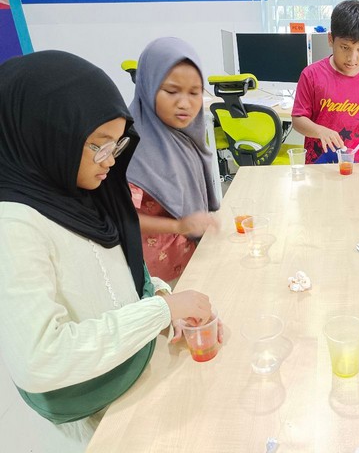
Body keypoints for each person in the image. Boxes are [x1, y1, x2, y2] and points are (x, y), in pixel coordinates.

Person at [0, 51, 215, 443]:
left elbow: (123, 274)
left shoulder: (84, 190)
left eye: (116, 145)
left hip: (134, 368)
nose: (110, 161)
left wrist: (164, 303)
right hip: (94, 403)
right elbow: (40, 359)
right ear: (48, 136)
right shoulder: (14, 226)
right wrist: (161, 310)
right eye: (99, 146)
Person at [127, 37, 220, 285]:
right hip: (156, 277)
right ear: (148, 87)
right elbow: (123, 218)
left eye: (195, 92)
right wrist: (179, 226)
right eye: (171, 91)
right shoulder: (133, 147)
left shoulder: (184, 136)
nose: (185, 103)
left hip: (190, 259)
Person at [292, 0, 359, 164]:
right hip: (320, 164)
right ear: (331, 39)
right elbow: (298, 120)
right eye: (345, 47)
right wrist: (319, 131)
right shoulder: (311, 75)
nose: (352, 58)